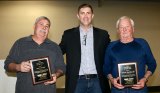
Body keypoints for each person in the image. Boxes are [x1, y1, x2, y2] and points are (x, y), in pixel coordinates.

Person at [4, 16, 66, 93]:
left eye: (47, 26)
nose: (44, 28)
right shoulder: (20, 43)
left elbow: (62, 68)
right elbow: (7, 65)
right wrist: (18, 67)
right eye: (41, 24)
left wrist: (56, 75)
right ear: (34, 26)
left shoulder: (55, 47)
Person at [59, 3, 111, 93]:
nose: (85, 16)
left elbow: (112, 53)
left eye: (88, 13)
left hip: (98, 82)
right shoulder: (68, 34)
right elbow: (57, 52)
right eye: (82, 13)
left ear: (92, 15)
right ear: (78, 16)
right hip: (77, 82)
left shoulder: (103, 35)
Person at [103, 16, 157, 93]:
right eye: (121, 27)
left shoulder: (142, 44)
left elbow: (152, 64)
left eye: (127, 27)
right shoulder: (111, 46)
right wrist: (112, 80)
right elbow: (106, 68)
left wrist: (145, 79)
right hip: (117, 90)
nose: (124, 29)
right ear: (118, 30)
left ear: (133, 29)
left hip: (140, 90)